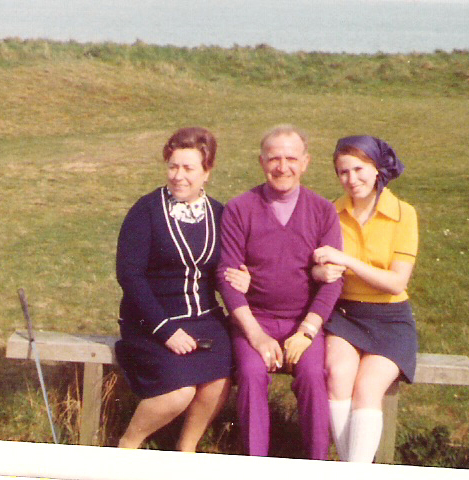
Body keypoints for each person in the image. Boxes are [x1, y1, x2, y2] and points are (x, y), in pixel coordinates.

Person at [114, 127, 249, 452]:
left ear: (207, 171)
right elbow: (129, 275)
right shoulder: (145, 211)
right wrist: (165, 330)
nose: (178, 176)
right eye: (173, 166)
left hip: (205, 320)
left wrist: (241, 279)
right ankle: (127, 446)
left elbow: (224, 269)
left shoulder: (220, 214)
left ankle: (184, 454)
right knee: (180, 392)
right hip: (151, 321)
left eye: (188, 168)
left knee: (217, 382)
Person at [217, 125, 343, 460]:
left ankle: (317, 466)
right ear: (262, 162)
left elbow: (333, 281)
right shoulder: (240, 208)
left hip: (303, 322)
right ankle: (255, 465)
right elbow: (227, 279)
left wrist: (306, 331)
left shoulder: (322, 211)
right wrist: (256, 336)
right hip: (254, 321)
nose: (282, 167)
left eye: (291, 158)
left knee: (315, 375)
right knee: (250, 372)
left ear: (305, 162)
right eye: (274, 158)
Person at [312, 135, 418, 462]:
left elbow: (396, 281)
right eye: (343, 172)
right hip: (344, 315)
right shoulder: (331, 212)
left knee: (367, 390)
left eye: (358, 169)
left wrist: (347, 262)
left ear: (376, 169)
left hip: (391, 318)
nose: (351, 179)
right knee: (338, 375)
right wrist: (320, 273)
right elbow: (316, 267)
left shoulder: (404, 214)